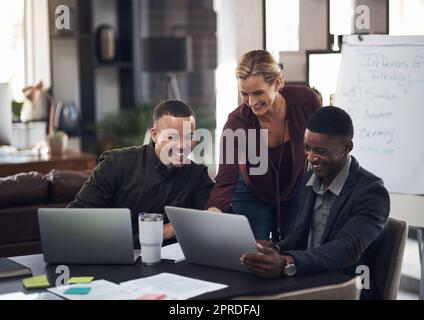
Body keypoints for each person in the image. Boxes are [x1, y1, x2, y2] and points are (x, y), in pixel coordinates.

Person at [240, 106, 390, 299]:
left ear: (347, 147)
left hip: (349, 287)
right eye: (307, 148)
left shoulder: (372, 192)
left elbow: (345, 249)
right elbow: (300, 237)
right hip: (310, 281)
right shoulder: (310, 178)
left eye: (320, 151)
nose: (311, 158)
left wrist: (287, 262)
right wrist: (274, 249)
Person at [206, 49, 321, 241]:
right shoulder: (236, 123)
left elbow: (325, 143)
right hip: (251, 190)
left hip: (294, 186)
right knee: (253, 254)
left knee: (294, 250)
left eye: (258, 93)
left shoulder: (305, 102)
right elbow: (225, 180)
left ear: (277, 83)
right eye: (244, 94)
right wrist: (214, 209)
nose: (251, 102)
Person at [68, 100, 214, 245]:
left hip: (170, 261)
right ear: (155, 135)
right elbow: (73, 218)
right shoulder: (116, 164)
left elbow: (216, 217)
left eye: (189, 137)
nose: (182, 146)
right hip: (114, 252)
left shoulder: (197, 175)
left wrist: (175, 227)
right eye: (172, 137)